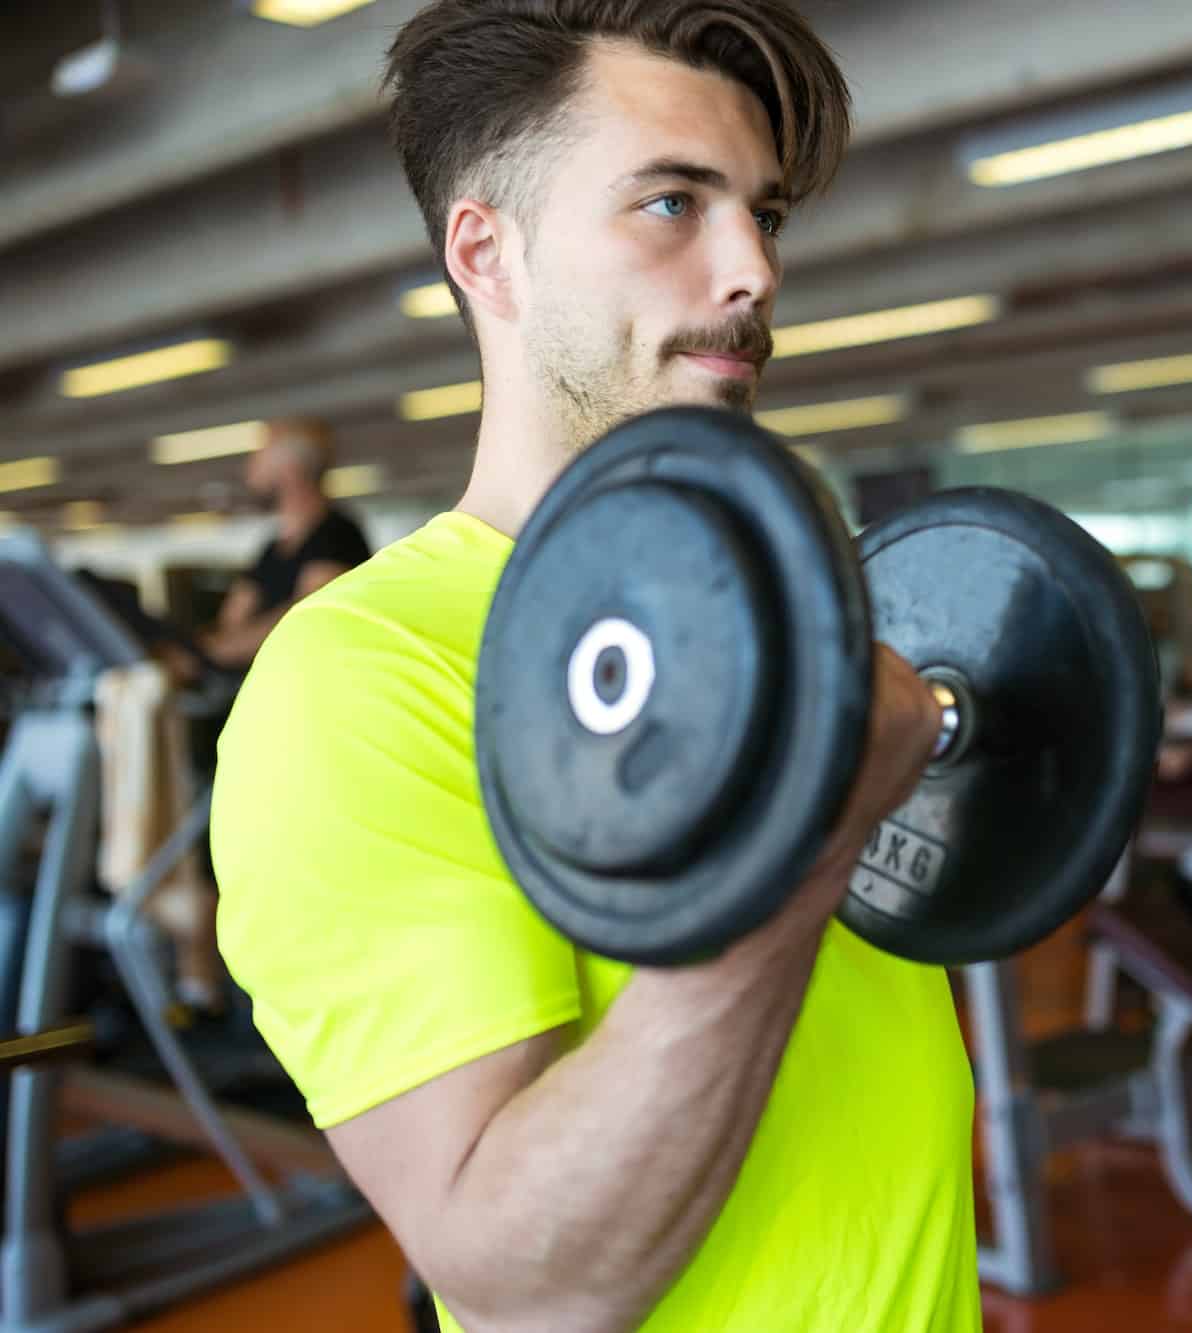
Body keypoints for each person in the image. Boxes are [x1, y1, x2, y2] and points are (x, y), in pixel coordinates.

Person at [209, 6, 967, 1333]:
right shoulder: (358, 678)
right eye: (673, 203)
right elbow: (531, 1285)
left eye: (767, 215)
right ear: (485, 251)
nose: (752, 271)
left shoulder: (798, 617)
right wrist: (813, 833)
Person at [198, 419, 372, 672]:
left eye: (260, 453)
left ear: (289, 468)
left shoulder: (338, 535)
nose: (250, 464)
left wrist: (216, 652)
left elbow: (305, 617)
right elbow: (232, 618)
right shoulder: (271, 548)